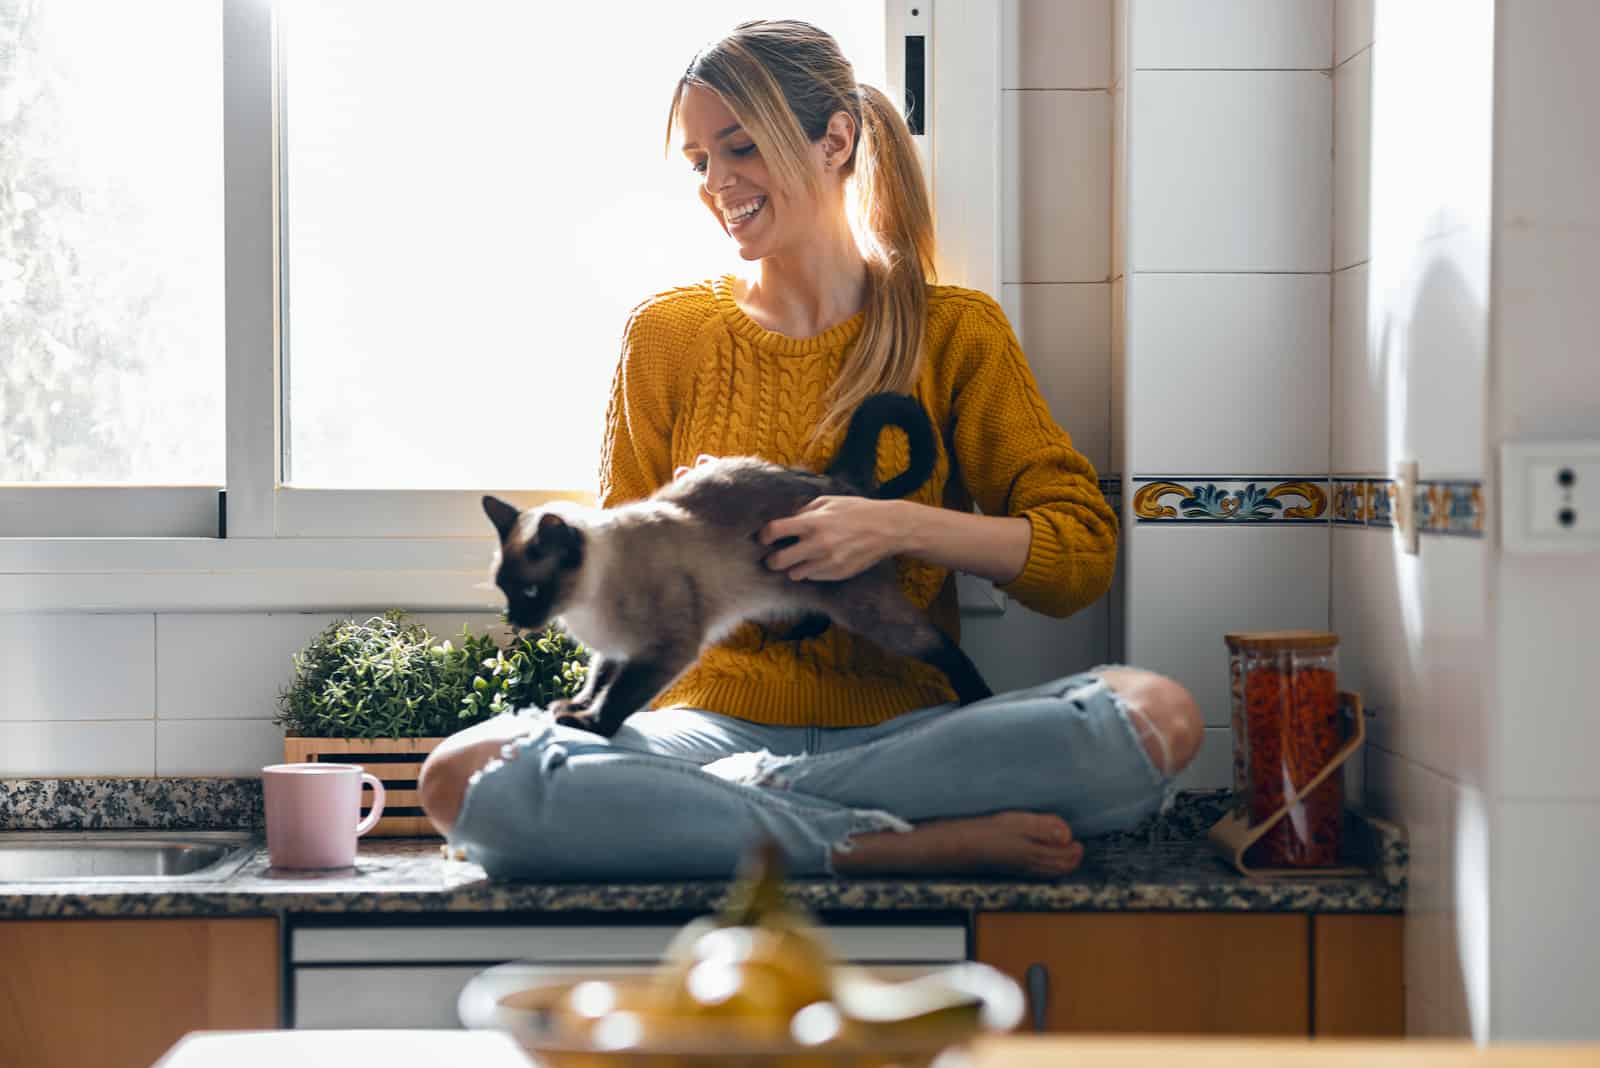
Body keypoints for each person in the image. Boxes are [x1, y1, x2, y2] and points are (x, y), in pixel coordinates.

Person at [418, 19, 1202, 882]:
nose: (717, 183)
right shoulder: (667, 335)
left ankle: (746, 813)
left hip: (909, 734)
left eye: (740, 146)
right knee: (463, 777)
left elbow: (1080, 561)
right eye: (698, 161)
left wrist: (895, 525)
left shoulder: (955, 330)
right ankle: (877, 841)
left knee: (1157, 714)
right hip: (701, 730)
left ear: (835, 139)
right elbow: (610, 601)